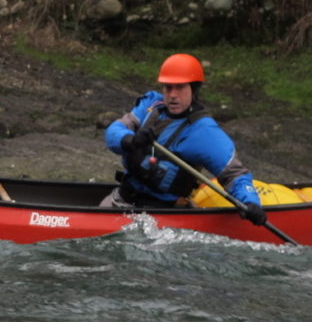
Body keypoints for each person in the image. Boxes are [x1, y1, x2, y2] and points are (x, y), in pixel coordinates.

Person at [102, 53, 266, 224]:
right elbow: (114, 131)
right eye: (168, 87)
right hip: (121, 200)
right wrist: (130, 140)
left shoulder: (204, 132)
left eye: (180, 88)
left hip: (165, 217)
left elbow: (235, 175)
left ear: (193, 90)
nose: (173, 95)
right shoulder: (150, 106)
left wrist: (250, 202)